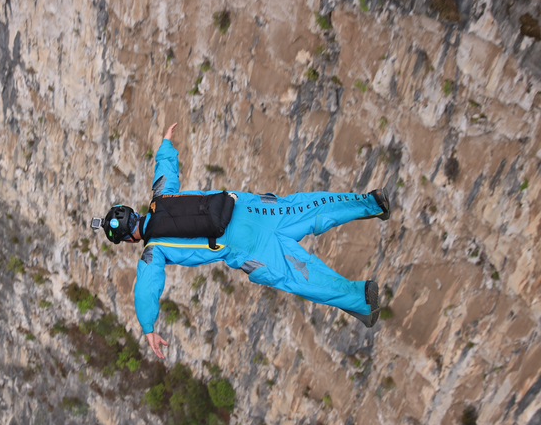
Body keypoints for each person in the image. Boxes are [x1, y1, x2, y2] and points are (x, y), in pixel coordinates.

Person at [96, 123, 390, 359]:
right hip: (249, 207)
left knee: (299, 275)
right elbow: (165, 171)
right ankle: (371, 203)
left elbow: (147, 286)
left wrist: (148, 326)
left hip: (244, 245)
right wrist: (166, 143)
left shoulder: (153, 251)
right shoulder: (161, 198)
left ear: (129, 239)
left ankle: (362, 300)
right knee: (308, 207)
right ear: (135, 213)